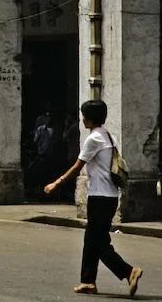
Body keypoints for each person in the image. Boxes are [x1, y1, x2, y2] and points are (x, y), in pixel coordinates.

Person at [44, 100, 143, 296]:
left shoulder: (94, 139)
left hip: (100, 196)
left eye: (83, 116)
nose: (82, 119)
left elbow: (77, 167)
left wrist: (57, 183)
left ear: (89, 118)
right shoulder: (109, 136)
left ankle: (129, 271)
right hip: (110, 196)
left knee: (98, 242)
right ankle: (88, 281)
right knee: (92, 239)